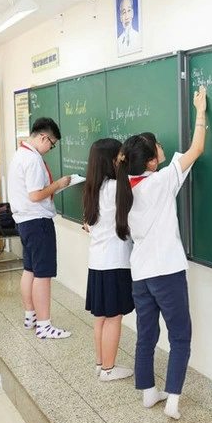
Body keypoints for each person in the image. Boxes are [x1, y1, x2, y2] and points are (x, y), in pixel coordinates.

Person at [115, 85, 208, 419]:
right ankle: (173, 401)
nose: (160, 146)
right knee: (180, 336)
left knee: (147, 335)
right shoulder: (162, 180)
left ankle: (149, 393)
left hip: (141, 273)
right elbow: (197, 148)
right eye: (156, 147)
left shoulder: (126, 187)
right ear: (152, 161)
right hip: (167, 271)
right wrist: (200, 111)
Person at [8, 117, 72, 339]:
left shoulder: (19, 154)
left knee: (30, 270)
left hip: (24, 222)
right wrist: (58, 184)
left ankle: (31, 316)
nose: (50, 149)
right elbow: (35, 195)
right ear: (44, 137)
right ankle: (44, 325)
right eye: (51, 144)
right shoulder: (33, 160)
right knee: (43, 275)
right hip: (38, 222)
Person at [82, 138, 134, 381]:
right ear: (114, 161)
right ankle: (108, 370)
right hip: (115, 262)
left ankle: (100, 363)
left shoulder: (93, 188)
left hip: (97, 263)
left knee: (101, 316)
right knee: (114, 317)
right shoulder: (115, 188)